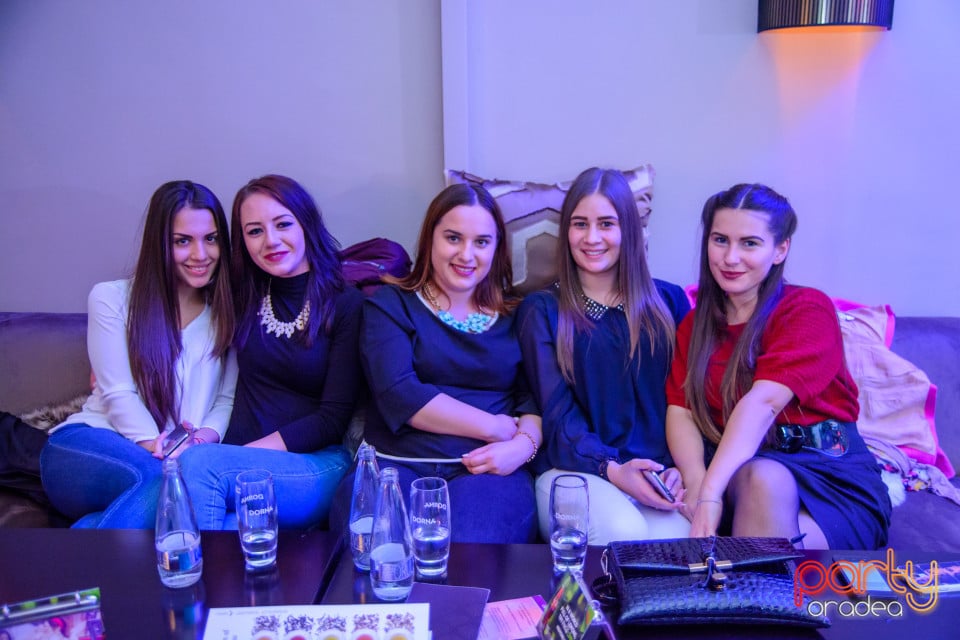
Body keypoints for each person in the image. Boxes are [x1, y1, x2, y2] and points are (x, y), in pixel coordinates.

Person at [665, 183, 891, 549]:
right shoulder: (694, 327)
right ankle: (752, 579)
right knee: (761, 478)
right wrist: (695, 481)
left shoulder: (806, 309)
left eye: (749, 243)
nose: (731, 257)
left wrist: (709, 494)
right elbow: (681, 411)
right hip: (740, 476)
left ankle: (753, 582)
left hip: (828, 476)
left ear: (780, 249)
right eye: (720, 240)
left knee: (765, 483)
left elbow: (764, 402)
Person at [333, 183, 542, 543]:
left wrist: (523, 447)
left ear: (497, 249)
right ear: (430, 238)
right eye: (453, 238)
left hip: (489, 472)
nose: (466, 254)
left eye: (481, 242)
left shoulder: (518, 314)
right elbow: (400, 394)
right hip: (397, 463)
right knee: (382, 545)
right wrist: (493, 427)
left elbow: (533, 402)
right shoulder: (390, 304)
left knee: (474, 546)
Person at [40, 180, 236, 528]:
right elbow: (118, 392)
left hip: (173, 456)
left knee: (171, 487)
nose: (201, 254)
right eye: (182, 241)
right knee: (168, 484)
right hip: (88, 445)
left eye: (211, 238)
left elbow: (225, 399)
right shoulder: (111, 299)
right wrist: (156, 447)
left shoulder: (228, 313)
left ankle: (84, 544)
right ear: (159, 243)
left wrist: (200, 441)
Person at [517, 168, 690, 545]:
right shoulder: (542, 311)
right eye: (580, 224)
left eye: (606, 224)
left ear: (629, 230)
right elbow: (558, 415)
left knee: (677, 543)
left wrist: (684, 468)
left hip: (654, 475)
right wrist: (611, 468)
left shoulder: (669, 302)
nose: (592, 238)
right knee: (623, 533)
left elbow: (689, 402)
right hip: (573, 472)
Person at [178, 175, 361, 530]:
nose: (271, 241)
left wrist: (237, 455)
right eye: (255, 231)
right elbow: (174, 301)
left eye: (283, 224)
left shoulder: (345, 304)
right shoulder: (242, 296)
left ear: (305, 223)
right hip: (230, 463)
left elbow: (332, 419)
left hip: (313, 465)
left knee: (199, 465)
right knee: (91, 527)